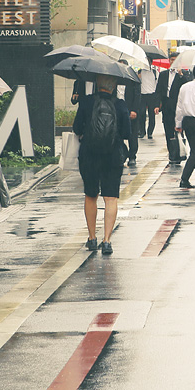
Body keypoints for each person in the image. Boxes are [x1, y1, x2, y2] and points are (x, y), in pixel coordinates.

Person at [73, 73, 132, 256]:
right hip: (113, 156)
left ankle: (92, 238)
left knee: (91, 195)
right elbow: (127, 133)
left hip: (89, 155)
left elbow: (76, 128)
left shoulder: (86, 102)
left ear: (97, 84)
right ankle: (107, 240)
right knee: (110, 198)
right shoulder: (120, 105)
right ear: (113, 86)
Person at [116, 60, 141, 167]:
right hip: (117, 110)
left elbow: (137, 96)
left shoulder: (133, 79)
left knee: (132, 135)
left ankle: (132, 156)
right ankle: (120, 155)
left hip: (130, 110)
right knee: (117, 134)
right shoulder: (114, 78)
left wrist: (134, 110)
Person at [138, 62, 159, 139]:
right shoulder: (140, 71)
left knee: (152, 115)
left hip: (152, 95)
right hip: (142, 95)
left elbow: (157, 84)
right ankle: (142, 131)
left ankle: (150, 132)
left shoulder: (155, 72)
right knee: (141, 114)